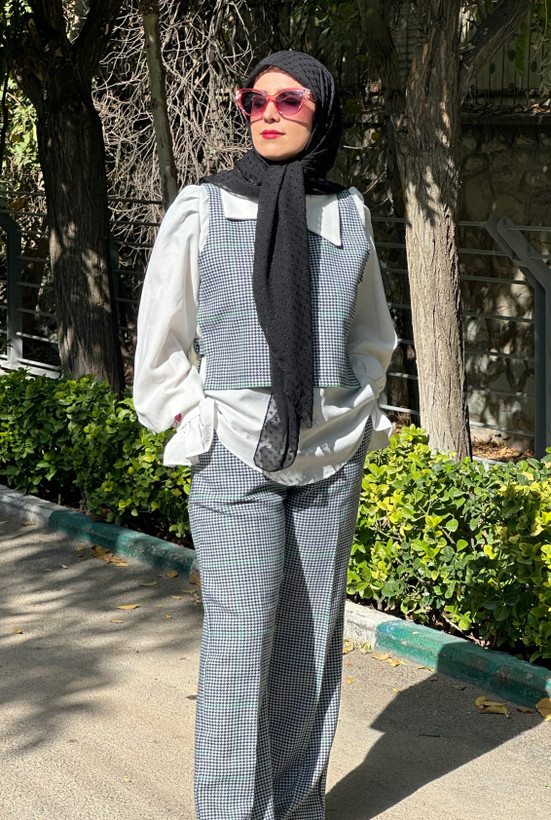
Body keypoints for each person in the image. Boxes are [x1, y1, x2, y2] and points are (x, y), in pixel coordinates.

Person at [134, 50, 397, 820]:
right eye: (255, 100)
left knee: (309, 650)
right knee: (239, 648)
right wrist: (193, 419)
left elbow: (371, 334)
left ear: (323, 111)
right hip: (234, 455)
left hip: (330, 457)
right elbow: (161, 339)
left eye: (290, 100)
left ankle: (294, 809)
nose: (269, 113)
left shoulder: (346, 212)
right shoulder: (204, 207)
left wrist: (357, 408)